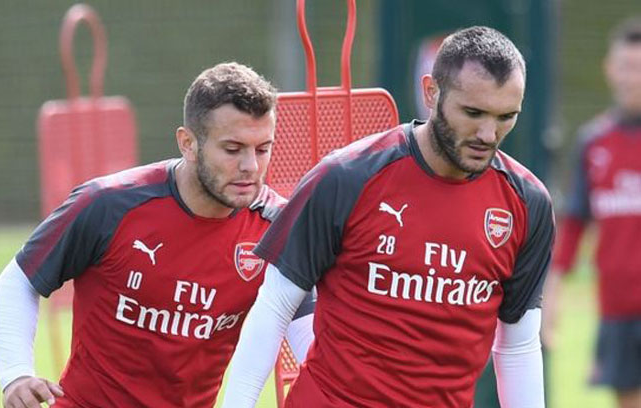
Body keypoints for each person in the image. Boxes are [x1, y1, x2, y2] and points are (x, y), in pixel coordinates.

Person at [221, 26, 555, 408]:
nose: (487, 133)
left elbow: (517, 345)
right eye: (473, 112)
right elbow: (274, 306)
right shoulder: (347, 177)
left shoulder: (527, 204)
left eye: (505, 117)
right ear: (431, 92)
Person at [0, 62, 315, 408]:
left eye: (263, 149)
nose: (250, 166)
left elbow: (308, 336)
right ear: (188, 144)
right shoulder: (108, 204)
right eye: (233, 150)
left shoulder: (277, 227)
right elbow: (18, 281)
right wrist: (16, 374)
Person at [542, 18, 641, 408]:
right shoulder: (594, 142)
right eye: (626, 66)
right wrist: (552, 297)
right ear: (609, 69)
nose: (632, 77)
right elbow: (574, 227)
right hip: (616, 306)